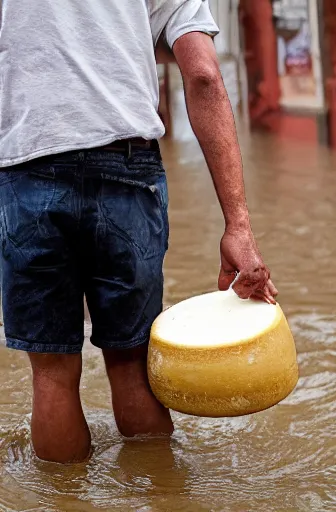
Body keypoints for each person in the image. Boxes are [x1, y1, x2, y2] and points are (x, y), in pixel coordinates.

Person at [0, 0, 278, 463]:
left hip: (28, 166)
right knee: (132, 365)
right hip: (127, 168)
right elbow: (204, 75)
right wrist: (238, 225)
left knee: (51, 376)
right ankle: (157, 495)